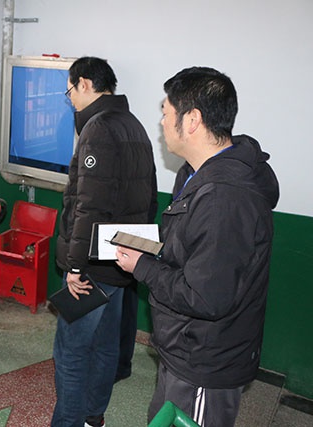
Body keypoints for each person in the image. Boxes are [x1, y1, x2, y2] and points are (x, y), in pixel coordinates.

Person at [115, 67, 279, 427]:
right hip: (183, 347)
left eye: (166, 112)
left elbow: (206, 297)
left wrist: (142, 267)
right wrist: (146, 247)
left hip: (204, 359)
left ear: (191, 120)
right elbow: (189, 248)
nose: (161, 122)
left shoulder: (224, 197)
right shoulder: (193, 174)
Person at [52, 57, 158, 427]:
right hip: (122, 258)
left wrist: (75, 266)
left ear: (84, 84)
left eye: (70, 91)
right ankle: (93, 417)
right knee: (105, 344)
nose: (70, 99)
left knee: (71, 350)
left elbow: (89, 206)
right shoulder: (135, 125)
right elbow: (149, 200)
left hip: (92, 264)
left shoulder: (98, 128)